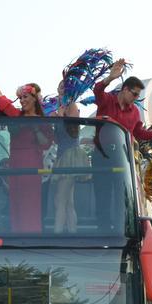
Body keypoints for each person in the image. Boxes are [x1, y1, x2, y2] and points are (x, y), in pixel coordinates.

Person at [90, 59, 152, 230]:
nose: (136, 98)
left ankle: (121, 231)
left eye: (138, 95)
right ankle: (103, 231)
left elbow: (139, 132)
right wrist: (110, 78)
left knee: (122, 195)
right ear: (125, 89)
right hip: (100, 154)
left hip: (122, 157)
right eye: (134, 94)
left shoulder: (135, 111)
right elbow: (97, 90)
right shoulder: (107, 100)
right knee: (102, 195)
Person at [0, 62, 52, 232]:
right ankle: (18, 238)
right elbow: (0, 98)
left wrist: (35, 128)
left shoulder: (43, 121)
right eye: (20, 98)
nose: (22, 100)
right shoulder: (16, 115)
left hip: (32, 164)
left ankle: (31, 238)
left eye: (25, 97)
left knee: (30, 204)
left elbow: (46, 143)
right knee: (16, 203)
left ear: (34, 98)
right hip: (15, 163)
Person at [50, 81, 87, 233]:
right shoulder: (57, 107)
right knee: (67, 202)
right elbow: (57, 139)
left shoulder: (72, 106)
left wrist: (60, 117)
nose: (63, 89)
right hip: (62, 154)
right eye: (61, 86)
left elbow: (73, 132)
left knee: (60, 199)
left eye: (66, 86)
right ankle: (72, 232)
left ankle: (57, 234)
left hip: (71, 155)